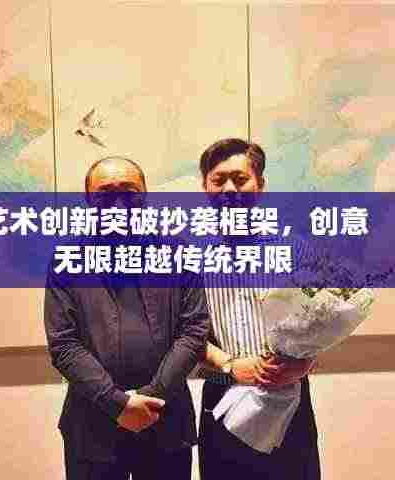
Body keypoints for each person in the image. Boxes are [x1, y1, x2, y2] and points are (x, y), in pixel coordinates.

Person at [44, 156, 210, 480]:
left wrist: (151, 397)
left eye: (129, 191)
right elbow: (64, 344)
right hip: (92, 423)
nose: (118, 203)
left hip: (166, 420)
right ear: (88, 199)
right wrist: (117, 404)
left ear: (144, 195)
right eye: (105, 193)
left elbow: (194, 331)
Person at [197, 138, 321, 479]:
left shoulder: (294, 247)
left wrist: (303, 364)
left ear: (260, 185)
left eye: (240, 179)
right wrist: (231, 366)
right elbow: (184, 332)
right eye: (218, 180)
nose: (229, 189)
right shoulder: (190, 254)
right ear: (205, 187)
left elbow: (322, 322)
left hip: (289, 390)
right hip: (222, 393)